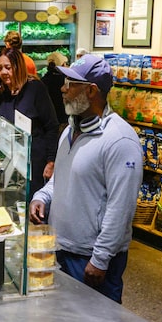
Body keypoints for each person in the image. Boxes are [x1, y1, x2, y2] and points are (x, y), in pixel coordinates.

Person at [29, 54, 143, 303]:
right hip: (62, 248)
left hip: (91, 259)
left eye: (70, 84)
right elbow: (59, 180)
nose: (62, 89)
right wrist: (42, 197)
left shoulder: (120, 140)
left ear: (91, 91)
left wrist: (100, 258)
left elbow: (121, 207)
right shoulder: (70, 130)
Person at [0, 47, 59, 199]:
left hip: (34, 164)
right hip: (9, 164)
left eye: (8, 67)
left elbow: (52, 126)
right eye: (0, 68)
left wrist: (51, 161)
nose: (4, 72)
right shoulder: (1, 93)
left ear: (18, 67)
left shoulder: (35, 88)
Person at [41, 51, 69, 127]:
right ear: (62, 65)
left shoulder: (43, 81)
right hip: (63, 120)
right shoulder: (66, 81)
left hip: (47, 122)